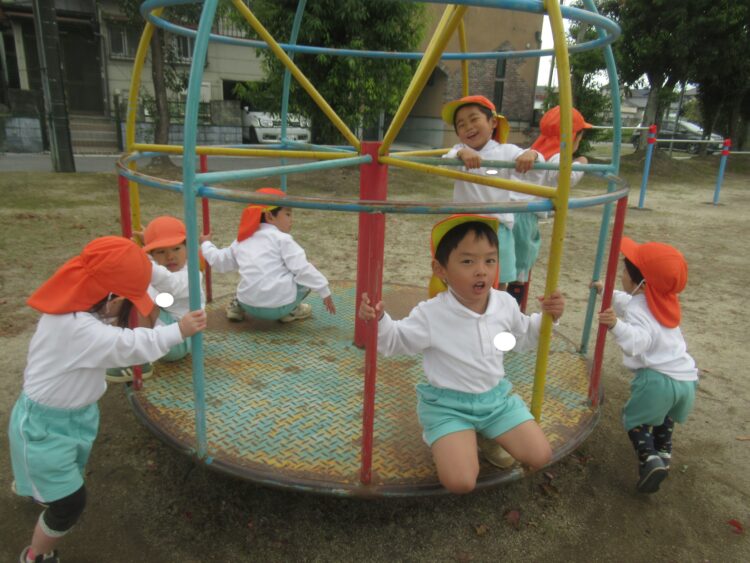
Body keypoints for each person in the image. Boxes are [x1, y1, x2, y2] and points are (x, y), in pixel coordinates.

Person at [8, 236, 207, 563]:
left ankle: (37, 485)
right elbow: (130, 345)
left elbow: (119, 315)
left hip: (74, 415)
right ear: (107, 294)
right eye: (122, 298)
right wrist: (179, 331)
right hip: (44, 426)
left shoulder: (75, 307)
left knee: (63, 471)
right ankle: (36, 555)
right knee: (69, 504)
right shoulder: (77, 328)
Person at [358, 215, 565, 494]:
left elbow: (521, 337)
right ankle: (450, 438)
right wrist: (379, 320)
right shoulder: (432, 314)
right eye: (468, 261)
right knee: (461, 481)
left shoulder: (504, 304)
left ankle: (486, 433)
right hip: (448, 407)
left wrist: (549, 318)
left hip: (494, 402)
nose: (481, 271)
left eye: (489, 260)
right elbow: (396, 341)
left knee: (540, 455)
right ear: (440, 269)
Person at [595, 237, 698, 494]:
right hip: (686, 380)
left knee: (634, 420)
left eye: (624, 271)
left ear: (641, 283)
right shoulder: (663, 300)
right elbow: (628, 301)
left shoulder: (638, 310)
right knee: (664, 418)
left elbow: (638, 341)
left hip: (657, 381)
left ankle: (648, 459)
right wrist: (605, 291)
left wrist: (615, 325)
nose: (621, 275)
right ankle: (663, 456)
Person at [441, 95, 545, 290]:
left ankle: (498, 306)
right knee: (463, 277)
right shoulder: (459, 151)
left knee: (499, 277)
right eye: (461, 125)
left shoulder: (506, 151)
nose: (468, 127)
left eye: (474, 119)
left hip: (497, 227)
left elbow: (534, 165)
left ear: (493, 122)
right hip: (465, 226)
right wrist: (462, 153)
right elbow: (446, 160)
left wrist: (532, 154)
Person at [200, 187, 336, 323]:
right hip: (278, 308)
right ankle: (291, 310)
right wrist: (324, 290)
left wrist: (206, 244)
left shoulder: (242, 240)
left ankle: (237, 306)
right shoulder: (282, 239)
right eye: (288, 214)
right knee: (305, 271)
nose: (292, 220)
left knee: (251, 274)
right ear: (270, 216)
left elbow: (221, 262)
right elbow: (302, 268)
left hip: (249, 305)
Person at [508, 105, 593, 306]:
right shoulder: (558, 156)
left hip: (509, 212)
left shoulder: (534, 151)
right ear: (573, 138)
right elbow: (567, 177)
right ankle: (514, 305)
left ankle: (508, 299)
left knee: (507, 263)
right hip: (524, 217)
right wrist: (582, 162)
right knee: (520, 267)